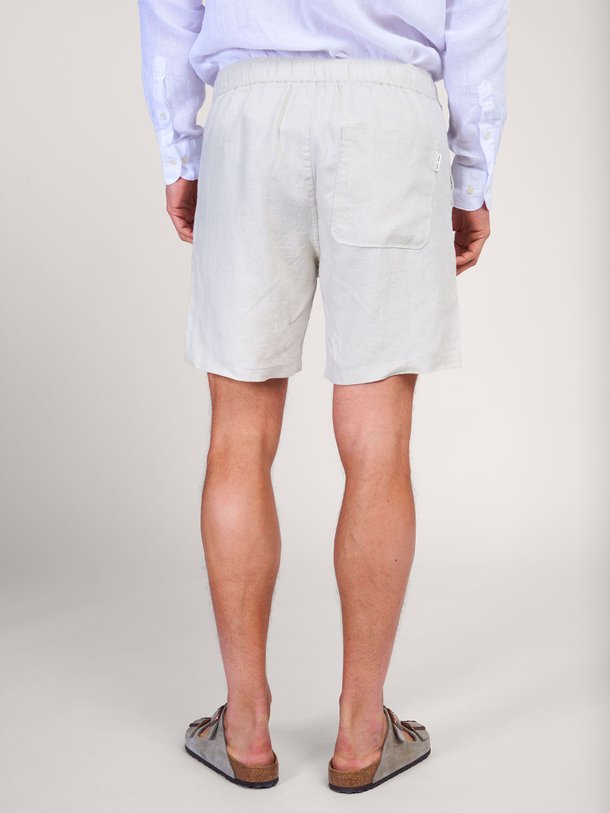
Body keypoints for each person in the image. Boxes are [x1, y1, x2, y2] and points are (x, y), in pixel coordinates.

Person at [137, 0, 508, 794]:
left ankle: (245, 727)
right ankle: (362, 733)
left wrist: (182, 154)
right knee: (378, 440)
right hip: (388, 117)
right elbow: (475, 21)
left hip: (249, 113)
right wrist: (473, 175)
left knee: (238, 433)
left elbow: (169, 13)